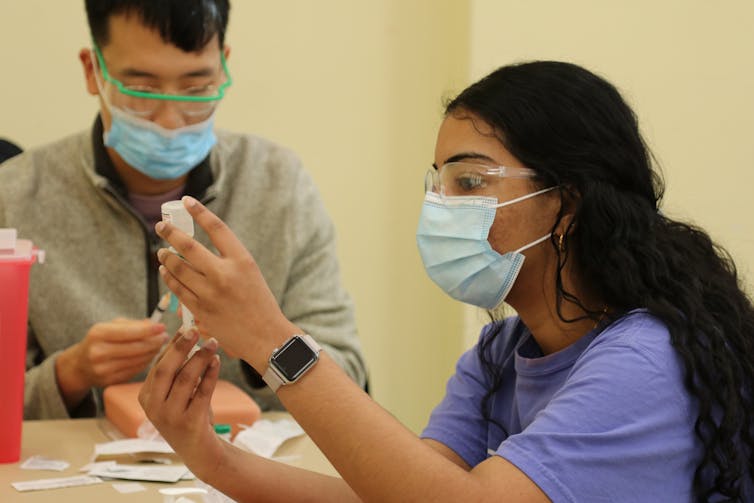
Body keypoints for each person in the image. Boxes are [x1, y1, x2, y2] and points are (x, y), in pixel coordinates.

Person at [140, 61, 754, 502]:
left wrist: (273, 341)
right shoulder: (500, 355)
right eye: (436, 183)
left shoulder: (646, 360)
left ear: (565, 205)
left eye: (468, 182)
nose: (438, 206)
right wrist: (211, 458)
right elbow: (400, 492)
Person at [0, 0, 366, 419]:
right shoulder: (15, 194)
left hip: (249, 471)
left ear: (223, 66)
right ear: (92, 71)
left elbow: (348, 377)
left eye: (196, 89)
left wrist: (263, 346)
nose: (171, 120)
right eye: (141, 90)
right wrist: (70, 373)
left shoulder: (279, 184)